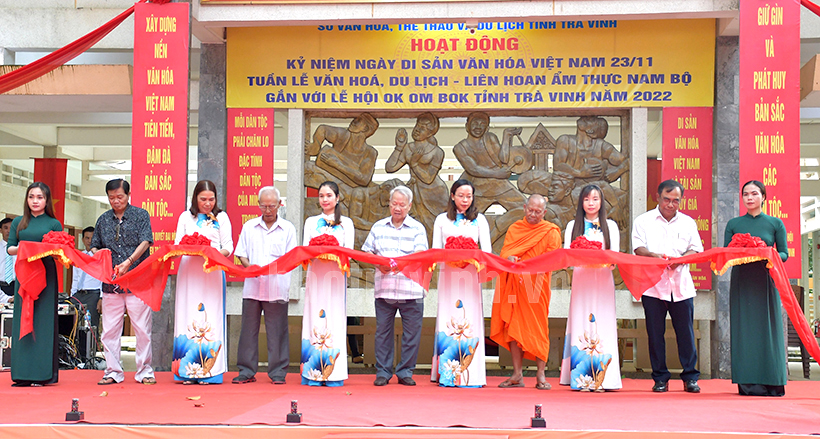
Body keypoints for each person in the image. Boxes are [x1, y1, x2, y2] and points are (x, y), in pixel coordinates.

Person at [632, 179, 702, 393]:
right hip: (654, 286)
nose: (670, 204)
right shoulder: (644, 221)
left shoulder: (688, 222)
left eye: (675, 201)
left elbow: (696, 249)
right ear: (657, 197)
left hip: (681, 286)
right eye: (666, 199)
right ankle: (660, 378)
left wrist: (681, 259)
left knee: (686, 333)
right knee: (655, 334)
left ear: (681, 201)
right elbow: (637, 247)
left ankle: (690, 377)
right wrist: (653, 256)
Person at [724, 180, 788, 397]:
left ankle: (773, 382)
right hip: (742, 282)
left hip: (766, 281)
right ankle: (747, 383)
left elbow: (784, 254)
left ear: (763, 196)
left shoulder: (775, 223)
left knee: (769, 330)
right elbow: (726, 254)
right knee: (744, 330)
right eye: (745, 194)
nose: (749, 198)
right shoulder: (733, 223)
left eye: (754, 194)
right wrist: (742, 250)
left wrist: (766, 253)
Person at [491, 194, 561, 390]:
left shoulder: (550, 231)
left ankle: (541, 374)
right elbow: (505, 253)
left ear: (544, 213)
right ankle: (517, 374)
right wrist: (510, 257)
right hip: (515, 285)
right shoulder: (515, 229)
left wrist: (531, 265)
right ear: (524, 208)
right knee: (513, 327)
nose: (533, 214)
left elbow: (554, 258)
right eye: (530, 210)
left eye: (538, 212)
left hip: (537, 287)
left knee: (538, 327)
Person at [361, 185, 429, 386]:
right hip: (385, 289)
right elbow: (367, 252)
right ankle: (383, 372)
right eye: (394, 204)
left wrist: (401, 264)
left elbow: (420, 256)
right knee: (382, 333)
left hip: (411, 290)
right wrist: (377, 263)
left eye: (401, 204)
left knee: (411, 334)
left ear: (409, 206)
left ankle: (405, 371)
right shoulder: (378, 227)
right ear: (389, 204)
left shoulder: (418, 229)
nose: (397, 208)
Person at [92, 179, 155, 385]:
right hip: (111, 284)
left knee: (142, 329)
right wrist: (99, 255)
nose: (116, 201)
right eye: (111, 198)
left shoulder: (140, 215)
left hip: (137, 281)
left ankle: (145, 371)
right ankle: (112, 371)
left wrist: (129, 262)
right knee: (109, 329)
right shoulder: (103, 219)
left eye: (120, 197)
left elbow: (146, 242)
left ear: (128, 195)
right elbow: (94, 246)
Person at [559, 185, 622, 391]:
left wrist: (601, 258)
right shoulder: (572, 225)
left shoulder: (610, 226)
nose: (591, 203)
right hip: (581, 279)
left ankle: (604, 378)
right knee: (580, 321)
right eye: (587, 199)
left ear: (601, 202)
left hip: (603, 280)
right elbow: (567, 255)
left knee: (603, 322)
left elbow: (615, 255)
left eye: (595, 199)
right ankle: (581, 378)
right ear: (581, 203)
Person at [431, 179, 492, 387]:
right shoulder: (441, 220)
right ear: (452, 195)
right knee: (449, 318)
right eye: (461, 195)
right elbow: (435, 251)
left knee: (470, 318)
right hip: (448, 276)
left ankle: (471, 374)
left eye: (469, 196)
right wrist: (453, 255)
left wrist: (469, 257)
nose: (465, 200)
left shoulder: (480, 220)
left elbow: (487, 252)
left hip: (470, 277)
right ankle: (447, 374)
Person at [232, 186, 296, 385]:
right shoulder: (249, 226)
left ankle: (277, 372)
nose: (268, 210)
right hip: (253, 286)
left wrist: (272, 270)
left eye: (272, 206)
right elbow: (241, 253)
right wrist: (250, 268)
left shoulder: (288, 229)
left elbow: (291, 258)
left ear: (279, 205)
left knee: (277, 331)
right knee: (248, 330)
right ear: (258, 205)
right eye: (264, 206)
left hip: (276, 287)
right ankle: (246, 371)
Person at [172, 180, 233, 385]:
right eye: (203, 199)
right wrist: (191, 249)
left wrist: (211, 254)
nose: (207, 203)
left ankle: (210, 372)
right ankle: (187, 371)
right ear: (195, 198)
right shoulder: (185, 217)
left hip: (212, 272)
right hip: (189, 272)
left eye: (211, 199)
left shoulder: (221, 217)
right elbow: (178, 244)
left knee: (210, 317)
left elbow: (229, 247)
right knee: (187, 316)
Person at [6, 182, 62, 386]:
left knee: (43, 323)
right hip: (23, 276)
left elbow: (58, 251)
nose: (35, 201)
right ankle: (21, 374)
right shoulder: (19, 222)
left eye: (39, 197)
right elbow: (10, 248)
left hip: (46, 276)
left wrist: (38, 249)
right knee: (23, 319)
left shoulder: (54, 224)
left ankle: (42, 374)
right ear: (27, 199)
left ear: (46, 200)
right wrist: (28, 248)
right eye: (31, 197)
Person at [301, 180, 354, 386]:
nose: (325, 199)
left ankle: (334, 373)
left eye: (329, 196)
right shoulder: (311, 222)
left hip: (335, 277)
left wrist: (331, 251)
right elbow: (305, 249)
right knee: (315, 317)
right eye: (321, 196)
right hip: (315, 275)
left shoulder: (346, 223)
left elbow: (348, 251)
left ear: (337, 198)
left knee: (334, 319)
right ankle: (312, 372)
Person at [385, 112, 448, 236]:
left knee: (433, 227)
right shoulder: (409, 148)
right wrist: (399, 148)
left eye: (423, 129)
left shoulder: (437, 152)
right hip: (414, 191)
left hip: (434, 194)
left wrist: (414, 163)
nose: (418, 130)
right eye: (417, 126)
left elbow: (429, 178)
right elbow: (390, 167)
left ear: (430, 133)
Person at [452, 112, 527, 213]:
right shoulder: (460, 148)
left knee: (525, 208)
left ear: (487, 128)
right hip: (478, 189)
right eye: (475, 123)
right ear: (467, 126)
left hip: (500, 185)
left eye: (482, 124)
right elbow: (473, 169)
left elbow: (503, 160)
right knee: (466, 216)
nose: (478, 127)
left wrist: (506, 137)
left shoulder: (490, 138)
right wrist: (497, 174)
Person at [71, 226, 102, 329]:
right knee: (74, 324)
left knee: (91, 326)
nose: (89, 241)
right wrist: (72, 295)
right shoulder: (79, 255)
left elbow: (104, 278)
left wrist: (101, 298)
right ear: (83, 239)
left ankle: (92, 345)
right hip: (78, 294)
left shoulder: (100, 256)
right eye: (87, 238)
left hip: (93, 294)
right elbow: (75, 278)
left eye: (92, 238)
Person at [1, 217, 16, 302]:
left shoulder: (20, 249)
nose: (9, 231)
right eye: (5, 228)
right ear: (0, 230)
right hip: (2, 288)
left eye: (12, 228)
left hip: (18, 288)